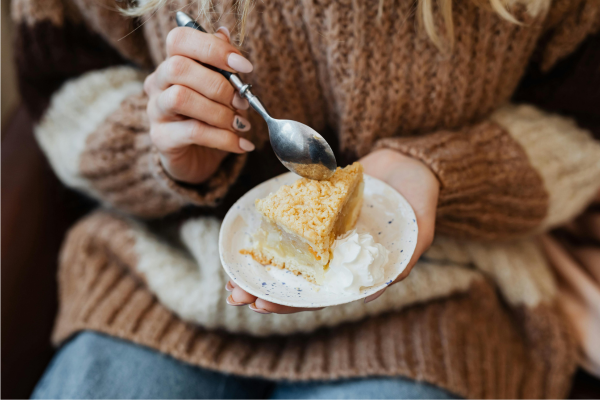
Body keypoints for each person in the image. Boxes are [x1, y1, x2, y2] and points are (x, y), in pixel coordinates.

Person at [12, 0, 600, 397]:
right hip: (163, 273)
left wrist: (442, 172)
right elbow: (64, 78)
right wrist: (160, 145)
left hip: (440, 291)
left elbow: (582, 120)